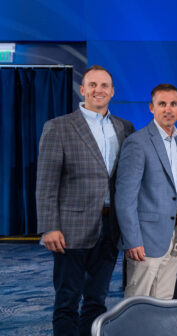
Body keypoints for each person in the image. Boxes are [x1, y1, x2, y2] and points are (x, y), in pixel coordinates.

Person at [36, 65, 135, 336]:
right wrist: (49, 226)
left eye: (104, 85)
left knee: (96, 299)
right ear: (83, 90)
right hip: (70, 229)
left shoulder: (124, 127)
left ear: (112, 92)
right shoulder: (59, 127)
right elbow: (46, 182)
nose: (98, 90)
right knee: (67, 298)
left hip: (110, 226)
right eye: (92, 85)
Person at [115, 83, 177, 299]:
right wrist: (132, 239)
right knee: (137, 303)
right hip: (144, 241)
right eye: (162, 104)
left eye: (173, 104)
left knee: (163, 302)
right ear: (151, 107)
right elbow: (124, 197)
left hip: (174, 236)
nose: (168, 109)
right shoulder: (137, 143)